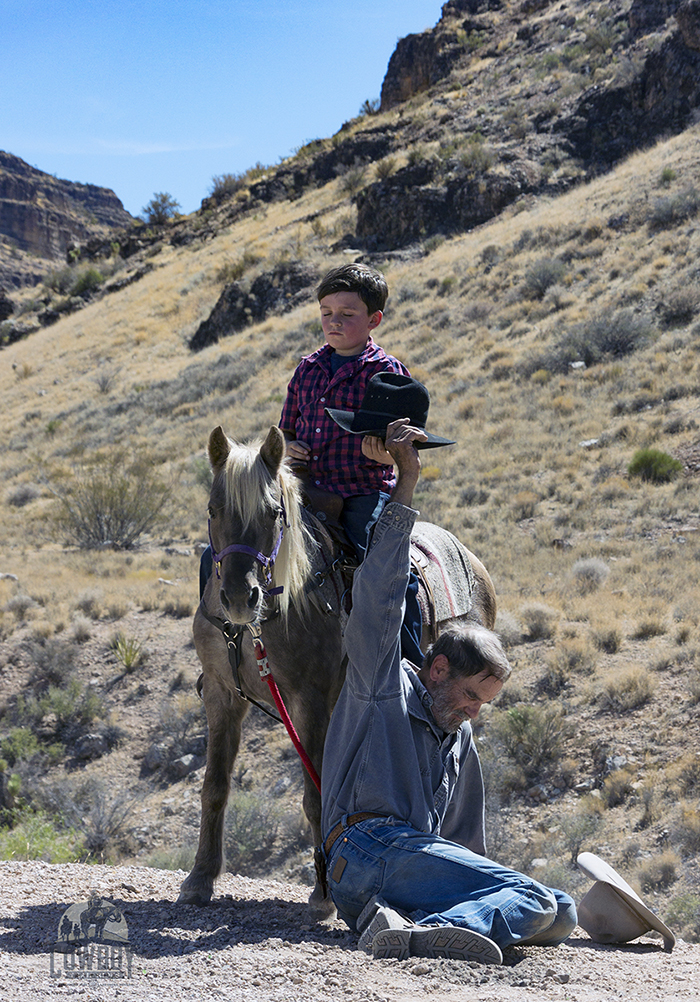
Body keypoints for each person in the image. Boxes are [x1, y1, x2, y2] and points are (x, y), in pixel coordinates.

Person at [320, 414, 577, 964]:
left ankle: (399, 924)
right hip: (363, 849)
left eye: (483, 704)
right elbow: (379, 596)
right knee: (530, 898)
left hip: (404, 871)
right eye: (470, 696)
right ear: (437, 670)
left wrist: (485, 885)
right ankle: (417, 937)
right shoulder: (380, 684)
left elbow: (462, 847)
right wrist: (405, 483)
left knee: (561, 907)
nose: (474, 713)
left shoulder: (457, 735)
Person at [280, 264, 438, 663]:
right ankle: (223, 654)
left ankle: (407, 662)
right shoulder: (307, 370)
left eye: (347, 315)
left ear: (374, 320)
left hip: (362, 490)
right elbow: (285, 431)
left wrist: (388, 454)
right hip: (305, 487)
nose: (334, 322)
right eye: (326, 312)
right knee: (237, 545)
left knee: (385, 566)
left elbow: (403, 447)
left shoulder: (388, 373)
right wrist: (288, 447)